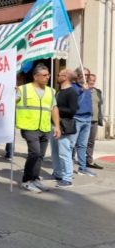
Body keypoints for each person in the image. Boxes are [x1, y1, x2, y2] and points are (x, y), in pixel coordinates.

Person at [15, 64, 61, 193]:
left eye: (49, 75)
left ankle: (35, 179)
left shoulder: (51, 91)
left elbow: (54, 108)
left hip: (45, 127)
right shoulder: (22, 89)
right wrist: (10, 92)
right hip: (29, 127)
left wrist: (57, 126)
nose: (48, 77)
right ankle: (26, 181)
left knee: (40, 155)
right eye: (45, 75)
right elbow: (8, 101)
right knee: (34, 153)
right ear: (35, 76)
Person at [50, 69, 79, 188]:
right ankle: (58, 173)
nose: (57, 76)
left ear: (66, 77)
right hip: (54, 124)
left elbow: (72, 110)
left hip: (64, 125)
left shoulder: (71, 92)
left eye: (59, 75)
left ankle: (67, 178)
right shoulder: (58, 91)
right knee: (55, 152)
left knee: (64, 152)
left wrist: (55, 108)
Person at [70, 67, 97, 177]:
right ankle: (68, 167)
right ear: (77, 75)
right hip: (77, 118)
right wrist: (81, 91)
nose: (86, 77)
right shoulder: (73, 87)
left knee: (82, 145)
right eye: (83, 75)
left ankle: (82, 168)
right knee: (71, 145)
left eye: (87, 75)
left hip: (87, 119)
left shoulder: (88, 88)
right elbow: (74, 102)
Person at [86, 74, 104, 170]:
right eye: (90, 80)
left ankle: (89, 160)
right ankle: (72, 160)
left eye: (94, 80)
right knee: (80, 142)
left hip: (95, 120)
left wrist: (100, 118)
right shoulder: (83, 90)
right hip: (84, 119)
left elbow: (99, 106)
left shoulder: (97, 91)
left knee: (91, 142)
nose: (92, 82)